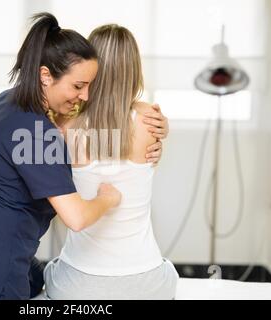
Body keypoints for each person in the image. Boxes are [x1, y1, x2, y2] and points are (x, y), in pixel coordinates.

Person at [0, 13, 168, 300]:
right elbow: (76, 218)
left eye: (90, 85)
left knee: (39, 278)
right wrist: (109, 198)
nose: (85, 96)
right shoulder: (39, 133)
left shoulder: (6, 101)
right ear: (45, 76)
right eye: (78, 86)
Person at [43, 24, 178, 300]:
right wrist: (163, 131)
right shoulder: (150, 118)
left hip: (78, 285)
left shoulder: (63, 123)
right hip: (148, 284)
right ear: (134, 70)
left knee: (50, 271)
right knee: (169, 272)